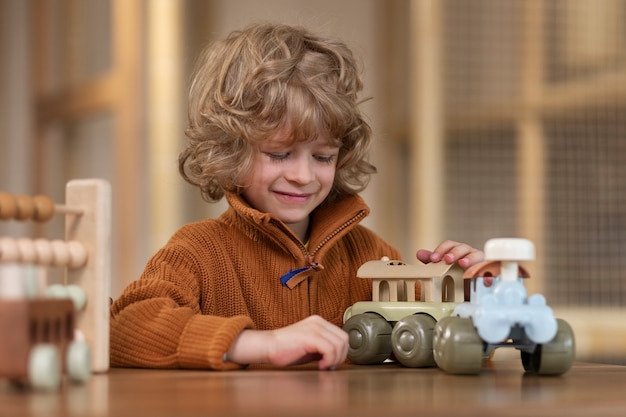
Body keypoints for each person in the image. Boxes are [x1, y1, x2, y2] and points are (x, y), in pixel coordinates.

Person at [109, 22, 483, 371]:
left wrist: (475, 296)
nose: (303, 176)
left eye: (323, 157)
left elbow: (438, 343)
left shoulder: (369, 255)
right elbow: (127, 328)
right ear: (230, 149)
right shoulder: (196, 252)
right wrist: (257, 344)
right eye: (278, 153)